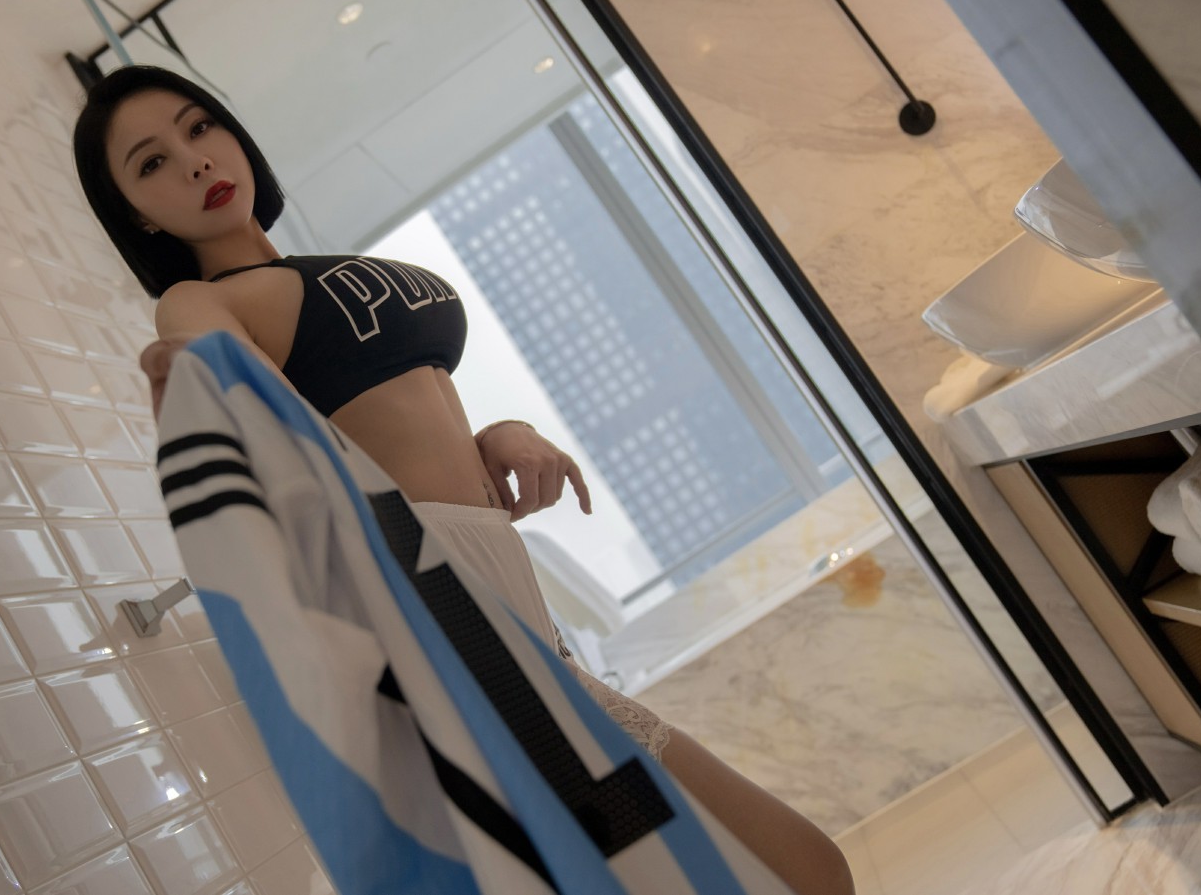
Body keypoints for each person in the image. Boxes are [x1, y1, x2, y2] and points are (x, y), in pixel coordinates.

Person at [73, 65, 853, 895]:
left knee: (720, 874)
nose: (193, 160)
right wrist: (192, 383)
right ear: (136, 213)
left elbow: (392, 420)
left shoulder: (301, 271)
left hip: (510, 612)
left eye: (198, 127)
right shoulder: (197, 301)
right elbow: (240, 402)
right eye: (151, 163)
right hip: (449, 621)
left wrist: (496, 432)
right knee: (793, 868)